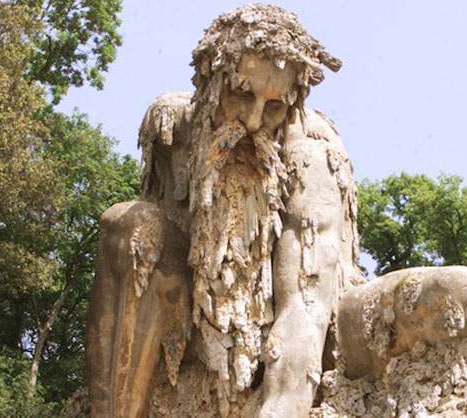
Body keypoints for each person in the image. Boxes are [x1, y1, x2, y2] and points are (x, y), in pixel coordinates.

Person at [86, 4, 359, 417]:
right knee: (131, 225)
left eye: (273, 106)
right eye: (242, 95)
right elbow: (138, 272)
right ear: (210, 84)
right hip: (195, 320)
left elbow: (305, 308)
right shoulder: (174, 128)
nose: (253, 122)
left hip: (288, 344)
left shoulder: (312, 156)